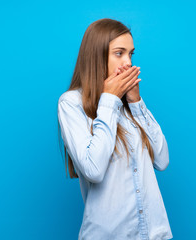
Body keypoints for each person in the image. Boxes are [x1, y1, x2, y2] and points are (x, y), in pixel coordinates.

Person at [57, 18, 173, 240]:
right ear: (97, 55)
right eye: (119, 53)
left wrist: (137, 103)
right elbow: (94, 170)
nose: (128, 62)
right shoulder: (71, 103)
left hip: (154, 234)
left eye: (131, 54)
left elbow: (162, 160)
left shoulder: (131, 106)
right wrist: (109, 99)